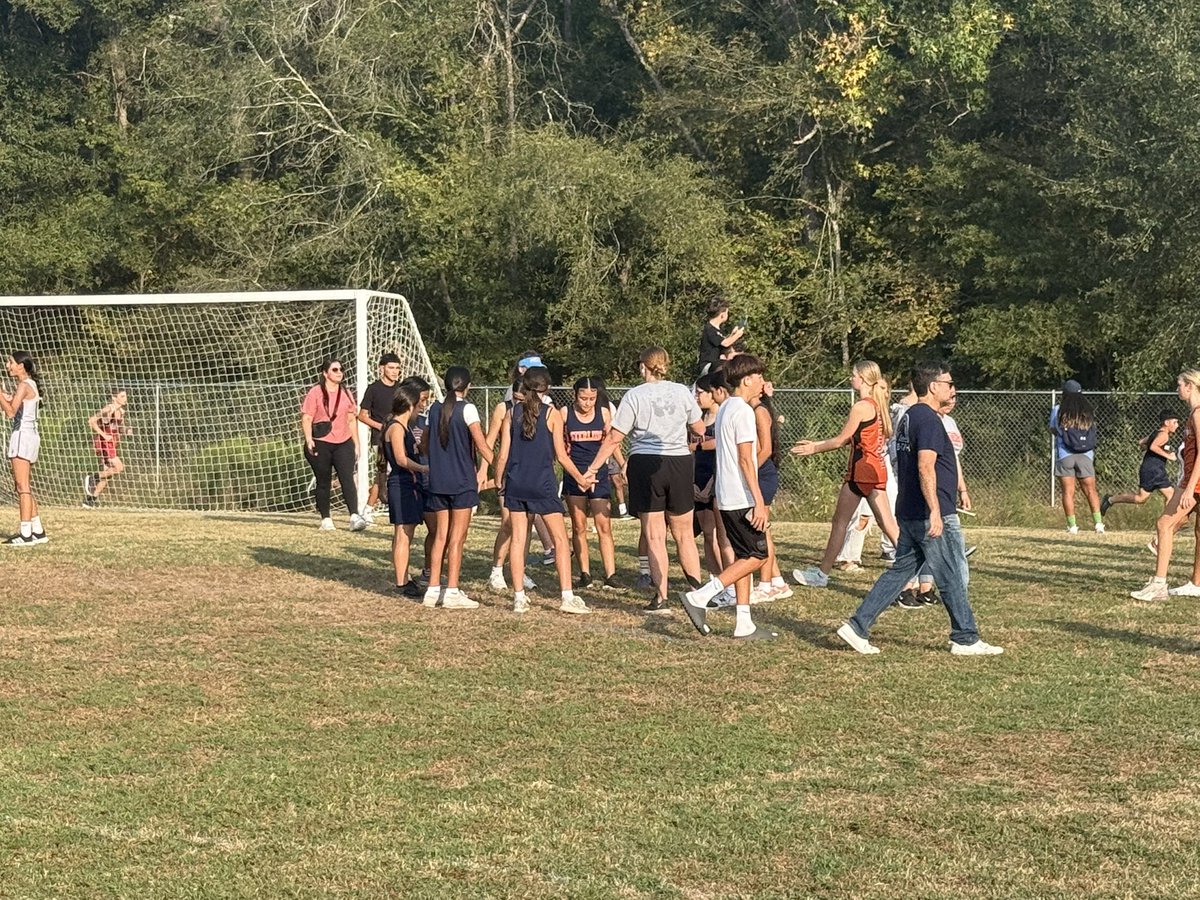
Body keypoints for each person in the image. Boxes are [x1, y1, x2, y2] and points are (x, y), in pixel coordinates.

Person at [835, 362, 1003, 656]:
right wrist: (935, 511)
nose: (952, 389)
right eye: (949, 383)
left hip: (910, 510)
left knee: (900, 572)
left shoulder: (911, 416)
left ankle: (857, 626)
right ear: (934, 386)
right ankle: (965, 638)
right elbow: (926, 466)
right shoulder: (928, 420)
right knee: (951, 574)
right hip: (929, 513)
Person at [585, 346, 706, 612]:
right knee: (684, 534)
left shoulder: (634, 395)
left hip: (645, 462)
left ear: (643, 366)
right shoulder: (682, 392)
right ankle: (698, 594)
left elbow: (615, 437)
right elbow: (699, 428)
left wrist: (593, 468)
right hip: (680, 462)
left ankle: (662, 597)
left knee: (654, 535)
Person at [679, 355, 777, 640]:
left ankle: (744, 622)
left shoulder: (726, 408)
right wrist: (758, 501)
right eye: (759, 377)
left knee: (743, 556)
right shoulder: (744, 411)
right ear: (746, 380)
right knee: (758, 555)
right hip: (741, 497)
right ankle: (701, 596)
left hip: (725, 495)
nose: (762, 382)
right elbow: (746, 459)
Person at [791, 360, 901, 587]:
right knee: (887, 524)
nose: (851, 378)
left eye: (854, 375)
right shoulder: (878, 406)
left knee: (840, 522)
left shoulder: (861, 407)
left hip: (861, 472)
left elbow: (841, 440)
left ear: (863, 379)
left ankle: (822, 574)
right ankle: (918, 568)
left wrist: (814, 448)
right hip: (875, 470)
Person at [495, 367, 593, 614]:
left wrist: (498, 480)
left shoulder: (512, 412)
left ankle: (519, 597)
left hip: (516, 482)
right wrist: (581, 479)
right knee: (560, 540)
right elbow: (562, 456)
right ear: (547, 389)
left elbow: (503, 454)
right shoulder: (552, 413)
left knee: (518, 539)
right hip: (543, 483)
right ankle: (566, 596)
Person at [420, 366, 494, 609]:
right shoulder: (468, 409)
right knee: (457, 538)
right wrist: (501, 467)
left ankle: (432, 589)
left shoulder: (434, 408)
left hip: (438, 481)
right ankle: (452, 590)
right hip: (462, 481)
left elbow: (423, 443)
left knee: (440, 536)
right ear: (468, 386)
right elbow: (481, 445)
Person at [1130, 371, 1200, 601]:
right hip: (1191, 481)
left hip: (1195, 483)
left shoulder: (1198, 414)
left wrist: (1189, 488)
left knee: (1164, 524)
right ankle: (1175, 583)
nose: (1177, 389)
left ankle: (1159, 585)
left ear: (1190, 386)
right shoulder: (1192, 414)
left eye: (1179, 384)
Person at [562, 377, 619, 590]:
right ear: (575, 395)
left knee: (604, 525)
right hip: (574, 475)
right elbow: (559, 448)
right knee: (579, 525)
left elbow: (613, 443)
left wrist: (622, 465)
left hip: (598, 475)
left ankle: (610, 574)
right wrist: (578, 476)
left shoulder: (603, 413)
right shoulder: (565, 413)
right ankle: (584, 574)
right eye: (583, 398)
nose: (587, 403)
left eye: (592, 399)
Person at [301, 358, 367, 532]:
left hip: (343, 442)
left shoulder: (346, 392)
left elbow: (351, 420)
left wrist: (356, 443)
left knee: (347, 478)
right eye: (335, 370)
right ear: (325, 373)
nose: (339, 373)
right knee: (323, 480)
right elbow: (307, 417)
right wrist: (309, 439)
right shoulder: (315, 392)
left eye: (341, 369)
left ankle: (354, 516)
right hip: (321, 442)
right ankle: (326, 518)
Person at [383, 383, 428, 598]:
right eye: (419, 404)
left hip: (408, 482)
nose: (421, 408)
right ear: (409, 404)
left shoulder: (404, 427)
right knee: (402, 533)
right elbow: (401, 459)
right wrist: (423, 468)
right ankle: (402, 582)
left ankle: (404, 576)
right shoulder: (397, 428)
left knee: (405, 533)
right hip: (402, 483)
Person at [1, 351, 48, 546]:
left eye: (11, 362)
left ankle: (26, 533)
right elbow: (13, 405)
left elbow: (11, 412)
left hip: (22, 437)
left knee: (22, 487)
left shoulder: (24, 385)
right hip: (30, 436)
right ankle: (37, 530)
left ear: (21, 366)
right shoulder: (29, 384)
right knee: (23, 485)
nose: (8, 366)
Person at [1050, 380, 1104, 534]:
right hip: (1086, 455)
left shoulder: (1058, 409)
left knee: (1068, 492)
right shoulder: (1088, 411)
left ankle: (1072, 526)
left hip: (1065, 454)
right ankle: (1098, 524)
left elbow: (1053, 428)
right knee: (1091, 490)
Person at [1102, 410, 1179, 516]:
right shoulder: (1164, 435)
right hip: (1155, 470)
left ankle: (1110, 499)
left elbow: (1141, 442)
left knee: (1141, 498)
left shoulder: (1155, 433)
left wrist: (1151, 449)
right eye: (1175, 422)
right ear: (1166, 423)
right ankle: (1167, 522)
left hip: (1149, 469)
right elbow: (1153, 447)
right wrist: (1169, 456)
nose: (1177, 425)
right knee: (1171, 496)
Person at [357, 352, 403, 524]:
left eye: (397, 368)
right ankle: (369, 508)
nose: (395, 371)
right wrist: (381, 427)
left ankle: (371, 508)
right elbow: (362, 415)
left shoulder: (401, 389)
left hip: (398, 436)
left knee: (389, 472)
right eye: (391, 368)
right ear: (382, 368)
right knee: (385, 472)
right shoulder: (373, 389)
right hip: (380, 439)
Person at [401, 375, 437, 588]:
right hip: (407, 483)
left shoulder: (426, 422)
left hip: (428, 483)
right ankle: (402, 577)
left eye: (427, 400)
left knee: (436, 529)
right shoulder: (397, 423)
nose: (424, 404)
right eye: (422, 399)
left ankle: (429, 571)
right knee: (405, 533)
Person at [82, 388, 131, 508]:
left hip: (111, 443)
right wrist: (104, 435)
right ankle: (92, 477)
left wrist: (126, 430)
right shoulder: (108, 409)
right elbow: (91, 421)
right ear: (114, 398)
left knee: (108, 474)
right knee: (119, 468)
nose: (125, 399)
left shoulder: (121, 412)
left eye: (125, 396)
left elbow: (117, 428)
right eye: (122, 396)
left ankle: (90, 501)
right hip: (104, 443)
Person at [696, 297, 745, 377]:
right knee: (726, 368)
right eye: (727, 313)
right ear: (722, 315)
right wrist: (737, 335)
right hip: (708, 365)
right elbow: (725, 343)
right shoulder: (709, 329)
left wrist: (732, 334)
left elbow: (724, 345)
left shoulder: (719, 331)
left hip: (717, 365)